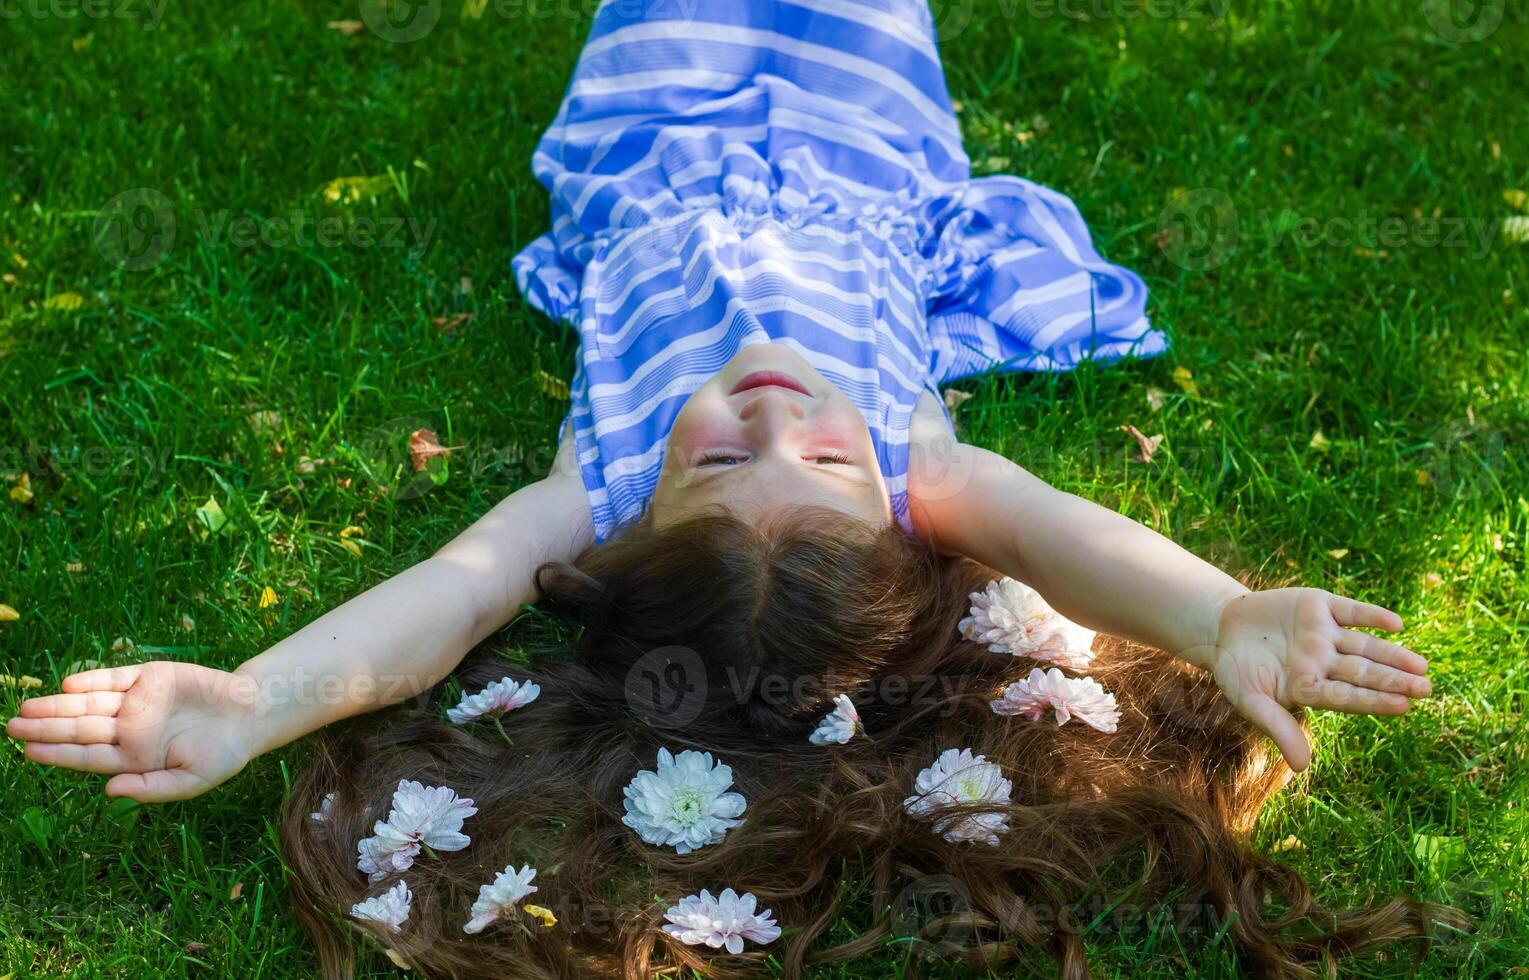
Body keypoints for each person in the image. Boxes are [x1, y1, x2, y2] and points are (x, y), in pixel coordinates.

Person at [7, 1, 1441, 975]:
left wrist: (260, 700)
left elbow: (445, 605)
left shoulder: (600, 485)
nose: (777, 415)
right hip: (862, 126)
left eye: (717, 461)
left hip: (653, 114)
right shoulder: (919, 479)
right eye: (822, 461)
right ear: (883, 506)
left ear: (642, 529)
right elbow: (1061, 545)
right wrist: (1220, 614)